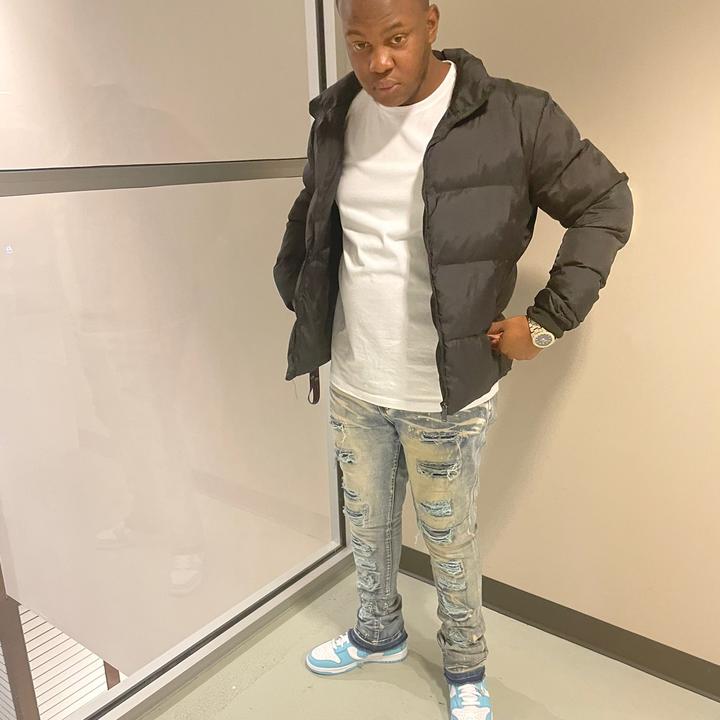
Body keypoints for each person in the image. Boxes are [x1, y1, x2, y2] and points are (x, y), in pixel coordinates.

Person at [273, 0, 634, 717]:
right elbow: (315, 210)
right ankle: (377, 632)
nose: (378, 63)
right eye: (359, 43)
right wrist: (297, 286)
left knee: (449, 539)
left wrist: (548, 322)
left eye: (396, 39)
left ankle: (466, 667)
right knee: (366, 525)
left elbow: (605, 202)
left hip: (446, 390)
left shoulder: (515, 115)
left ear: (432, 24)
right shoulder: (337, 115)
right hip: (355, 377)